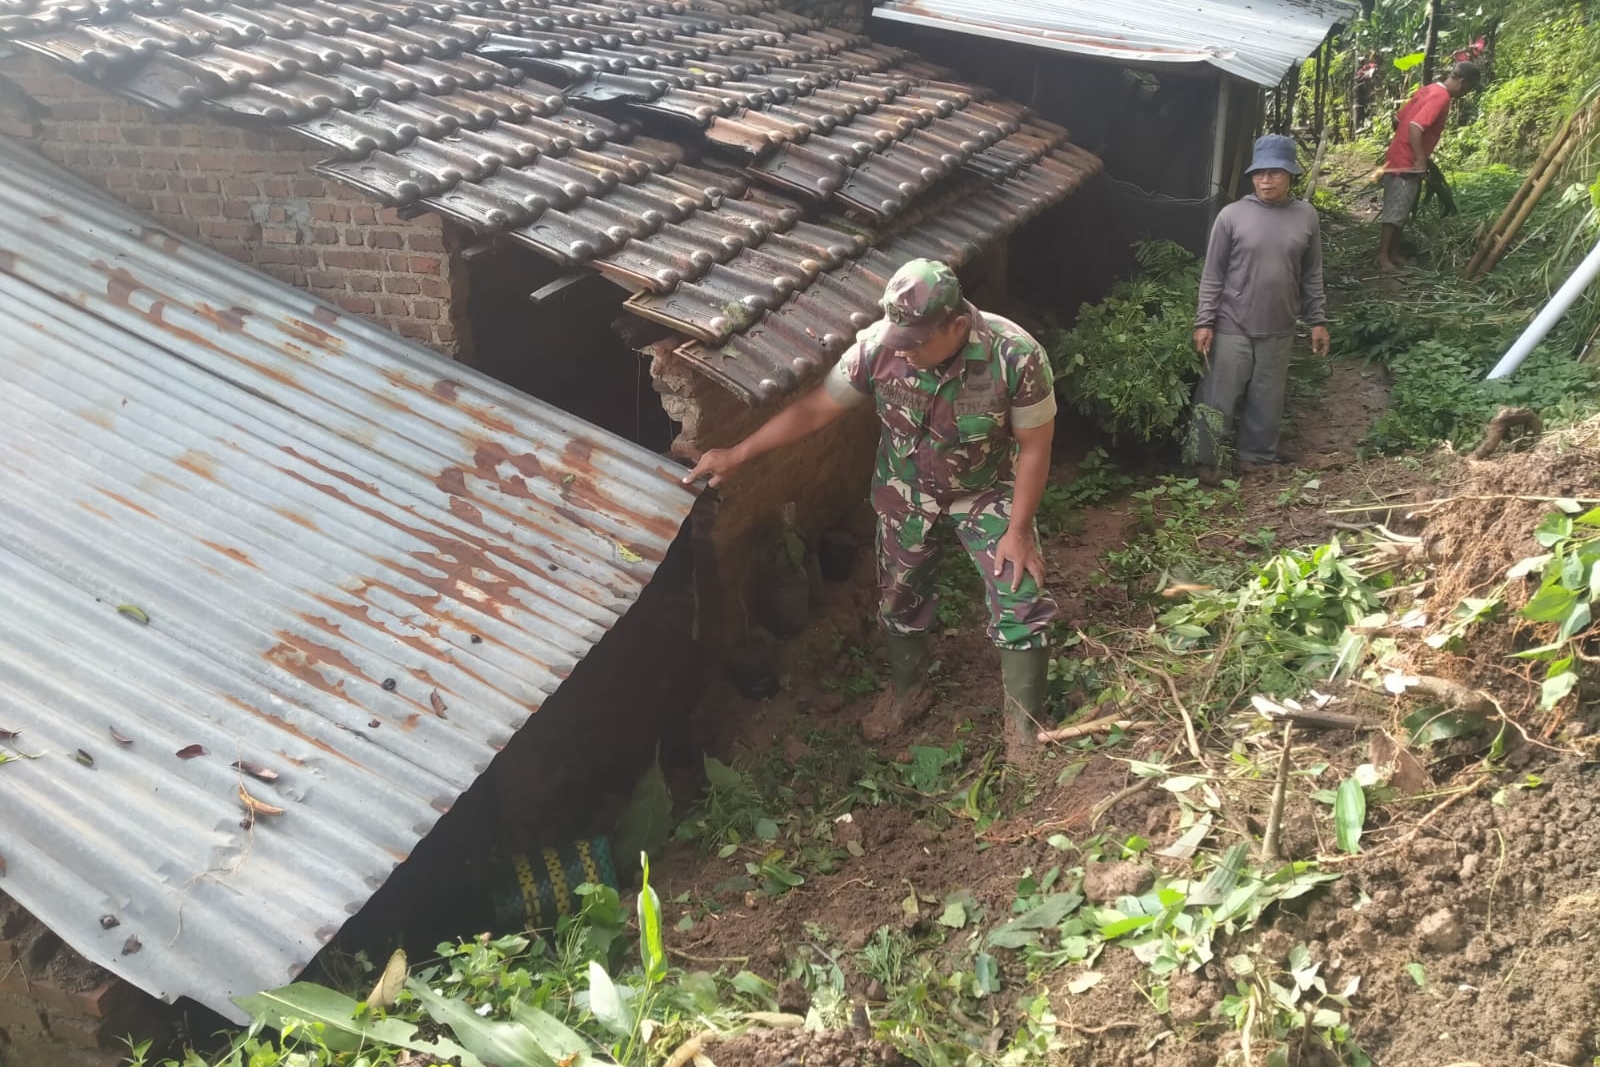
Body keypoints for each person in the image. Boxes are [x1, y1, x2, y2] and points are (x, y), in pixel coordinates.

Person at [683, 259, 1058, 763]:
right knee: (899, 600)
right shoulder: (879, 347)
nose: (904, 351)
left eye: (918, 342)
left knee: (1022, 595)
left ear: (958, 327)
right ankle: (907, 692)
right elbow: (816, 408)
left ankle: (1025, 728)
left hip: (987, 492)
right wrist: (737, 454)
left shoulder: (1016, 356)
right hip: (906, 492)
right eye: (899, 338)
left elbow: (1035, 447)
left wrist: (1019, 530)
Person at [1189, 134, 1330, 482]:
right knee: (1218, 395)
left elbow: (1312, 273)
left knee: (1267, 398)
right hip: (1231, 324)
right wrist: (1204, 320)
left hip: (1280, 325)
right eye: (1260, 173)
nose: (1266, 180)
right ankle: (1206, 461)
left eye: (1275, 173)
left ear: (1290, 175)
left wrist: (1317, 320)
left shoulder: (1305, 216)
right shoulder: (1232, 216)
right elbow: (1213, 273)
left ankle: (1256, 457)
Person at [1378, 60, 1481, 271]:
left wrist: (1404, 145)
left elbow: (1398, 120)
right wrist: (1419, 157)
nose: (1467, 93)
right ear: (1462, 82)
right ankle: (1382, 257)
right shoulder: (1442, 97)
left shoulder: (1428, 90)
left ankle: (1393, 253)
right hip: (1406, 163)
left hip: (1398, 156)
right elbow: (1416, 127)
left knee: (1403, 209)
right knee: (1395, 212)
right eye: (1469, 87)